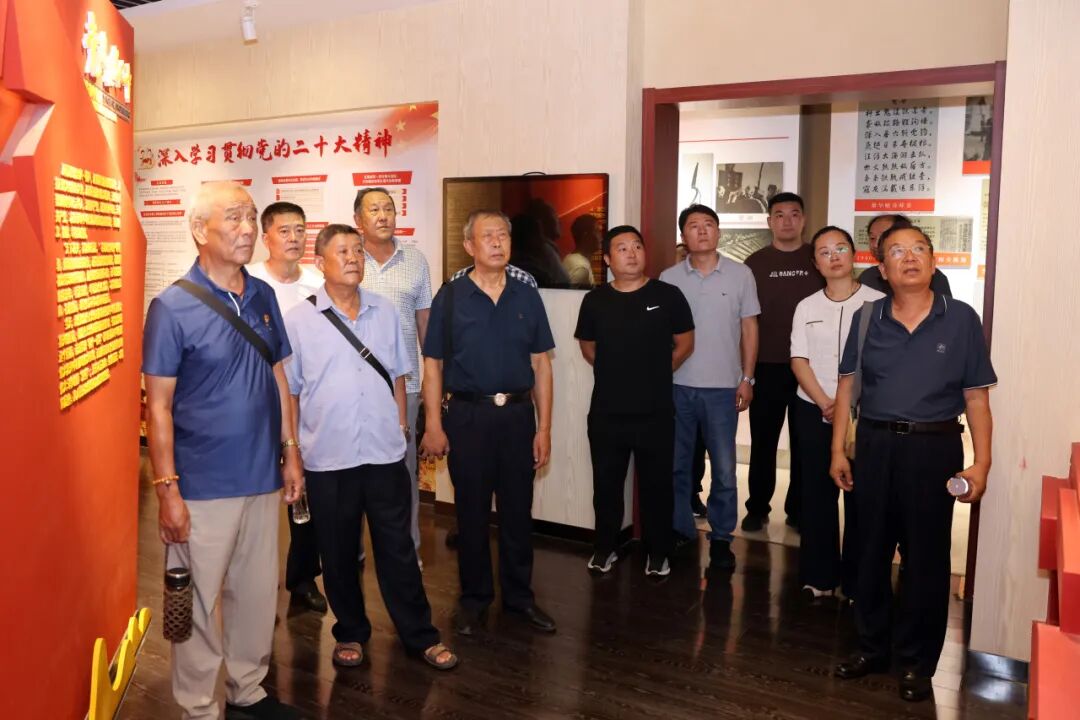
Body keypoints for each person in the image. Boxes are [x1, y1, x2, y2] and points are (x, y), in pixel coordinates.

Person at [143, 181, 303, 720]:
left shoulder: (262, 296)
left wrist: (291, 451)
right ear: (199, 230)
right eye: (233, 217)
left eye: (251, 217)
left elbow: (278, 375)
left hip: (262, 476)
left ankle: (247, 690)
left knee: (256, 594)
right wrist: (167, 490)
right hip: (201, 484)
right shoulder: (171, 307)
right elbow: (158, 407)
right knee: (195, 601)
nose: (247, 228)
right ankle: (197, 706)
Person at [830, 225, 995, 703]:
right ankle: (871, 647)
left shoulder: (960, 318)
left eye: (919, 249)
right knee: (869, 550)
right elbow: (847, 386)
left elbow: (976, 397)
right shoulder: (867, 317)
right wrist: (837, 449)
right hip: (875, 445)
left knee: (926, 558)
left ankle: (918, 663)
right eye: (897, 251)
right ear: (882, 269)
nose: (909, 257)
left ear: (933, 260)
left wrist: (982, 463)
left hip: (934, 448)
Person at [284, 224, 457, 671]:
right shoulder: (298, 321)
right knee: (338, 552)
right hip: (329, 457)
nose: (353, 258)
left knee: (398, 548)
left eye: (358, 251)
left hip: (383, 453)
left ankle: (420, 634)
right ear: (319, 262)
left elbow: (398, 374)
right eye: (342, 251)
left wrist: (400, 427)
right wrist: (293, 452)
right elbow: (292, 393)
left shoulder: (384, 311)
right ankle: (350, 632)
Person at [420, 209, 557, 636]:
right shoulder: (451, 296)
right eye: (488, 236)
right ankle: (474, 599)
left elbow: (542, 365)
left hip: (517, 417)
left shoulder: (526, 295)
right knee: (472, 512)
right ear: (469, 246)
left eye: (503, 235)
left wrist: (544, 429)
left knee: (518, 512)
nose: (497, 243)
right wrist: (433, 424)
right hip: (468, 416)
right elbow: (433, 364)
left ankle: (519, 599)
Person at [575, 225, 694, 576]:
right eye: (622, 248)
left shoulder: (668, 295)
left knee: (657, 485)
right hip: (607, 411)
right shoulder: (595, 300)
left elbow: (685, 343)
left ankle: (659, 552)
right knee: (606, 484)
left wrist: (655, 372)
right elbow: (588, 347)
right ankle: (605, 548)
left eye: (637, 246)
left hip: (655, 411)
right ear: (608, 259)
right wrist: (617, 372)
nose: (632, 253)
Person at [660, 204, 759, 575]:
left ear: (718, 232)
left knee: (724, 469)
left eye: (708, 225)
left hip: (722, 388)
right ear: (683, 235)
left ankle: (721, 538)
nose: (701, 231)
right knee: (677, 466)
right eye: (693, 225)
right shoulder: (669, 278)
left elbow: (749, 328)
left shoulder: (740, 274)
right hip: (677, 386)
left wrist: (747, 378)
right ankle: (680, 529)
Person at [789, 226, 884, 602]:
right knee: (816, 495)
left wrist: (846, 406)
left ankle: (859, 582)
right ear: (816, 263)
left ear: (854, 254)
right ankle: (819, 575)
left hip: (864, 414)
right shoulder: (806, 306)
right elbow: (799, 359)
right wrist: (826, 402)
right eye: (824, 252)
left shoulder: (879, 303)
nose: (834, 256)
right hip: (814, 408)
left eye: (840, 248)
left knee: (862, 498)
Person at [246, 201, 327, 614]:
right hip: (258, 400)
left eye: (300, 230)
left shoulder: (317, 283)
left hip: (306, 400)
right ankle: (255, 588)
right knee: (258, 497)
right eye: (284, 231)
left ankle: (302, 579)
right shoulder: (248, 282)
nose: (294, 238)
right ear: (266, 238)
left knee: (304, 495)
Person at [354, 187, 433, 565]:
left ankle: (407, 550)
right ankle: (353, 551)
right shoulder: (349, 258)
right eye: (374, 210)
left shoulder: (415, 260)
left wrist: (432, 381)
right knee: (353, 471)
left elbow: (425, 325)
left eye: (388, 208)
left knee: (404, 473)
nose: (383, 215)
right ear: (358, 220)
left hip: (408, 386)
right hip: (355, 388)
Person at [742, 192, 824, 532]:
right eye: (779, 214)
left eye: (794, 214)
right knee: (763, 442)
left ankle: (799, 509)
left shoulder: (817, 258)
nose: (787, 221)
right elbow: (746, 319)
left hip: (811, 367)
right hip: (768, 365)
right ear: (770, 222)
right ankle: (757, 507)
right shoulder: (754, 263)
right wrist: (745, 373)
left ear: (803, 220)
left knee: (806, 442)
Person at [859, 214, 952, 297]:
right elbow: (866, 310)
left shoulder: (932, 277)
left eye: (884, 235)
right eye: (872, 238)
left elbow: (945, 308)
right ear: (883, 270)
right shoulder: (867, 277)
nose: (876, 244)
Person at [563, 214, 601, 288]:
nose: (600, 236)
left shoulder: (571, 258)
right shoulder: (581, 269)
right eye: (597, 231)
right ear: (586, 235)